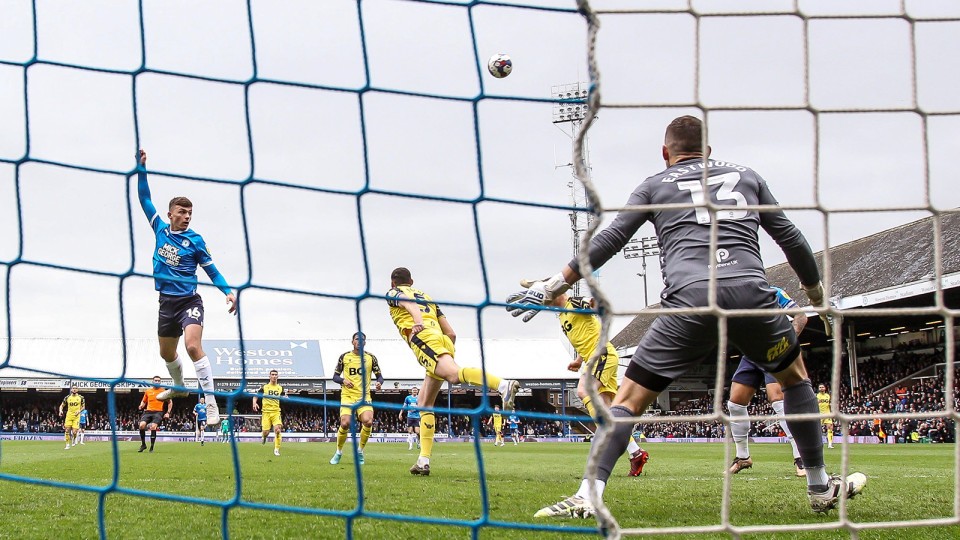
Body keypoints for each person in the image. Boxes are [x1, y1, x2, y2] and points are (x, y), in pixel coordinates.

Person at [509, 116, 865, 517]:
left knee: (628, 400)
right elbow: (791, 237)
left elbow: (611, 238)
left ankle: (589, 492)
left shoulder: (654, 184)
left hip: (690, 299)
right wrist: (816, 294)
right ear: (709, 151)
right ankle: (819, 485)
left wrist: (555, 283)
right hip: (751, 295)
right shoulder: (746, 175)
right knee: (794, 377)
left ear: (666, 153)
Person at [387, 267, 520, 476]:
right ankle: (423, 461)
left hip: (423, 337)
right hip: (442, 339)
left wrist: (418, 324)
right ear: (411, 281)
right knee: (424, 403)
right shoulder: (428, 298)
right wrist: (446, 348)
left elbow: (408, 303)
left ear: (393, 282)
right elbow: (451, 332)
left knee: (454, 375)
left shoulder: (393, 293)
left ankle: (503, 385)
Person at [136, 149, 237, 425]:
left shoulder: (196, 240)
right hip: (166, 303)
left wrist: (227, 291)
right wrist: (141, 167)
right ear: (170, 214)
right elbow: (144, 199)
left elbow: (212, 270)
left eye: (190, 212)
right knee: (166, 353)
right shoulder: (160, 228)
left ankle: (211, 402)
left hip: (189, 302)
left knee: (193, 346)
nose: (187, 216)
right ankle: (178, 386)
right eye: (182, 212)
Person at [551, 292, 649, 475]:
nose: (546, 303)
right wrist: (579, 360)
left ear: (559, 293)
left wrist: (594, 303)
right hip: (593, 359)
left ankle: (604, 432)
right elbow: (586, 336)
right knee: (610, 409)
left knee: (583, 390)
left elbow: (592, 303)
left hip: (602, 355)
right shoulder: (562, 315)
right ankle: (635, 452)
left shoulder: (574, 302)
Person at [727, 286, 808, 477]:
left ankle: (801, 458)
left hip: (776, 350)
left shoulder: (773, 292)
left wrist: (789, 341)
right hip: (751, 354)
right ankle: (743, 457)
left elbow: (801, 317)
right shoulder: (734, 297)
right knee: (735, 403)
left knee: (777, 399)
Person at [330, 332, 383, 465]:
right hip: (347, 396)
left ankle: (359, 451)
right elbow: (335, 377)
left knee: (368, 421)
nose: (359, 341)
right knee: (345, 423)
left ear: (365, 343)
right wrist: (343, 381)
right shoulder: (344, 357)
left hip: (364, 397)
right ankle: (338, 452)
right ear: (352, 342)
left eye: (362, 340)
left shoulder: (371, 358)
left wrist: (379, 383)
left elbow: (380, 376)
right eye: (357, 339)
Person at [253, 369, 287, 457]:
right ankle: (264, 437)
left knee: (278, 430)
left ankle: (276, 449)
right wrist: (254, 403)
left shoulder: (280, 388)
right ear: (269, 376)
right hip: (266, 413)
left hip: (276, 412)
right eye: (272, 374)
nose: (274, 376)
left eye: (276, 374)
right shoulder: (264, 387)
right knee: (266, 432)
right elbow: (256, 396)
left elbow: (284, 397)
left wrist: (286, 398)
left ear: (277, 376)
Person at [138, 376, 172, 453]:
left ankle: (151, 448)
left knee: (153, 426)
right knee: (141, 425)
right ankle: (143, 444)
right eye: (155, 380)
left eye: (158, 381)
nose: (157, 382)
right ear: (153, 382)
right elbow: (144, 401)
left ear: (160, 382)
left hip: (158, 412)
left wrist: (168, 412)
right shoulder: (148, 391)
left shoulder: (163, 392)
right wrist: (141, 405)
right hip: (148, 411)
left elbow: (170, 402)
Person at [58, 385, 84, 450]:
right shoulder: (67, 397)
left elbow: (83, 407)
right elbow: (61, 405)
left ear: (77, 390)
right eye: (73, 388)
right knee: (67, 430)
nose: (74, 389)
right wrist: (60, 411)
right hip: (69, 416)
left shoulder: (81, 397)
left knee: (75, 432)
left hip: (76, 416)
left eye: (76, 388)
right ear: (71, 389)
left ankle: (74, 438)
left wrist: (79, 411)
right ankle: (67, 445)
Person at [817, 383, 835, 449]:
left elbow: (830, 404)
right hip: (819, 414)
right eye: (820, 387)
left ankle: (830, 444)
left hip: (827, 414)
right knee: (817, 429)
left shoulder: (828, 396)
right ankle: (817, 443)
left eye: (822, 387)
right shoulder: (817, 396)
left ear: (825, 388)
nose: (821, 388)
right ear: (819, 389)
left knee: (830, 428)